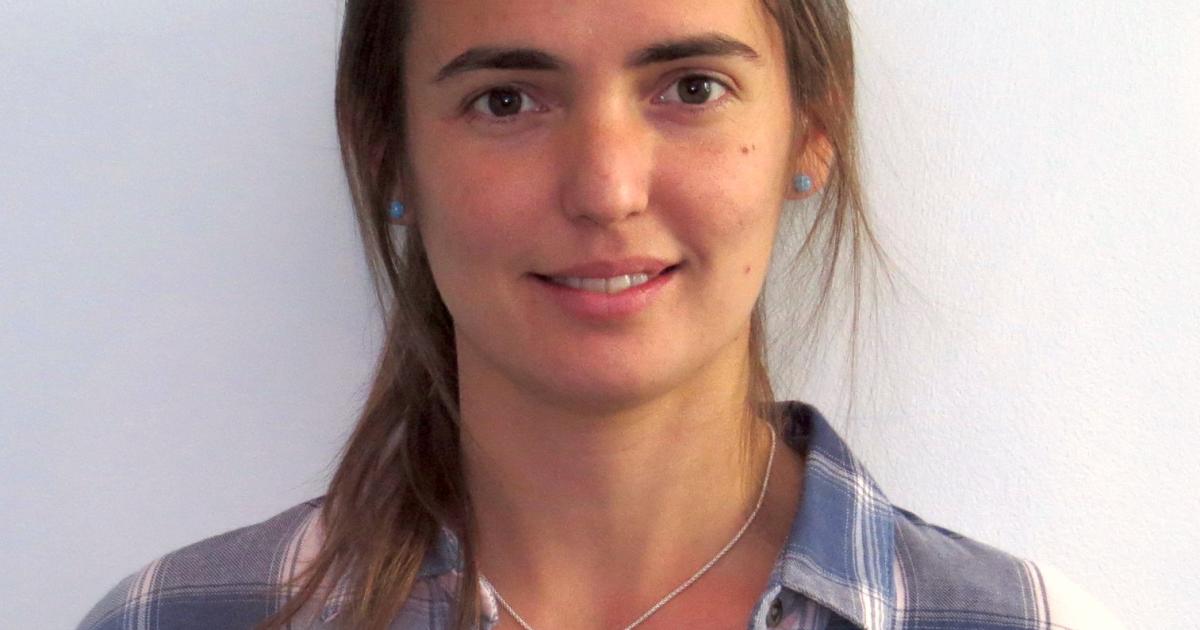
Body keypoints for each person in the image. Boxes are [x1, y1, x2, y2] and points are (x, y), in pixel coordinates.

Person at [78, 1, 1122, 629]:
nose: (607, 190)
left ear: (813, 129)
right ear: (390, 155)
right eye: (506, 100)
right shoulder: (177, 619)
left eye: (692, 87)